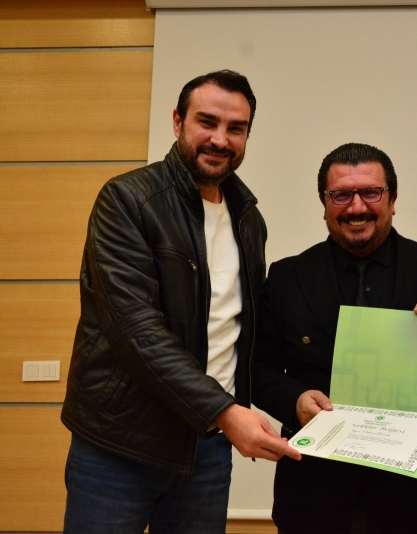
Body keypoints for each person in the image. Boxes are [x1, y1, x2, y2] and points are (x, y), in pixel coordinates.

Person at [60, 70, 300, 534]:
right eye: (206, 122)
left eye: (236, 128)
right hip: (119, 446)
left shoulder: (249, 220)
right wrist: (227, 412)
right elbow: (135, 330)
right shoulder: (127, 199)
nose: (220, 139)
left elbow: (241, 331)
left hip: (206, 449)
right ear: (177, 122)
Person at [252, 142, 417, 534]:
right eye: (341, 195)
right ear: (324, 203)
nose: (356, 207)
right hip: (313, 493)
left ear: (393, 200)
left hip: (411, 498)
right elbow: (258, 369)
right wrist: (295, 400)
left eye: (371, 192)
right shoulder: (286, 277)